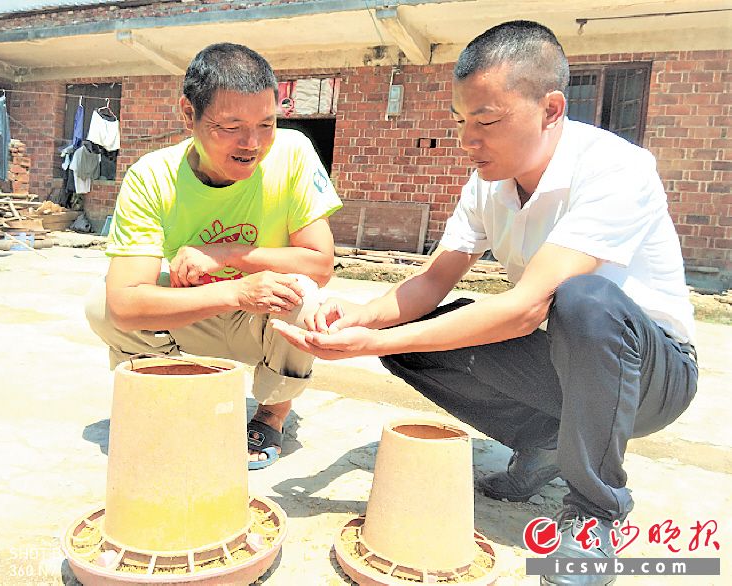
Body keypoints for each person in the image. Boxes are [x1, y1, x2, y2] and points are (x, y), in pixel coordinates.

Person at [273, 21, 698, 584]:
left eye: (487, 122)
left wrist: (370, 341)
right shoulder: (486, 183)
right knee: (420, 338)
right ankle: (543, 442)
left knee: (583, 298)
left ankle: (595, 515)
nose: (468, 141)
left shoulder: (616, 168)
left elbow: (526, 306)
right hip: (568, 361)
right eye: (461, 122)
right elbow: (429, 285)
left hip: (651, 375)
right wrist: (358, 318)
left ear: (550, 109)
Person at [86, 43, 342, 470]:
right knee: (101, 304)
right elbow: (125, 303)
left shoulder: (293, 153)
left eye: (266, 123)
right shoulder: (151, 176)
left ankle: (273, 412)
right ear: (189, 114)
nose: (252, 143)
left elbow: (320, 264)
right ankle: (168, 391)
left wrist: (229, 253)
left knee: (307, 298)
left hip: (261, 321)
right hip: (197, 311)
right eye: (232, 126)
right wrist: (236, 293)